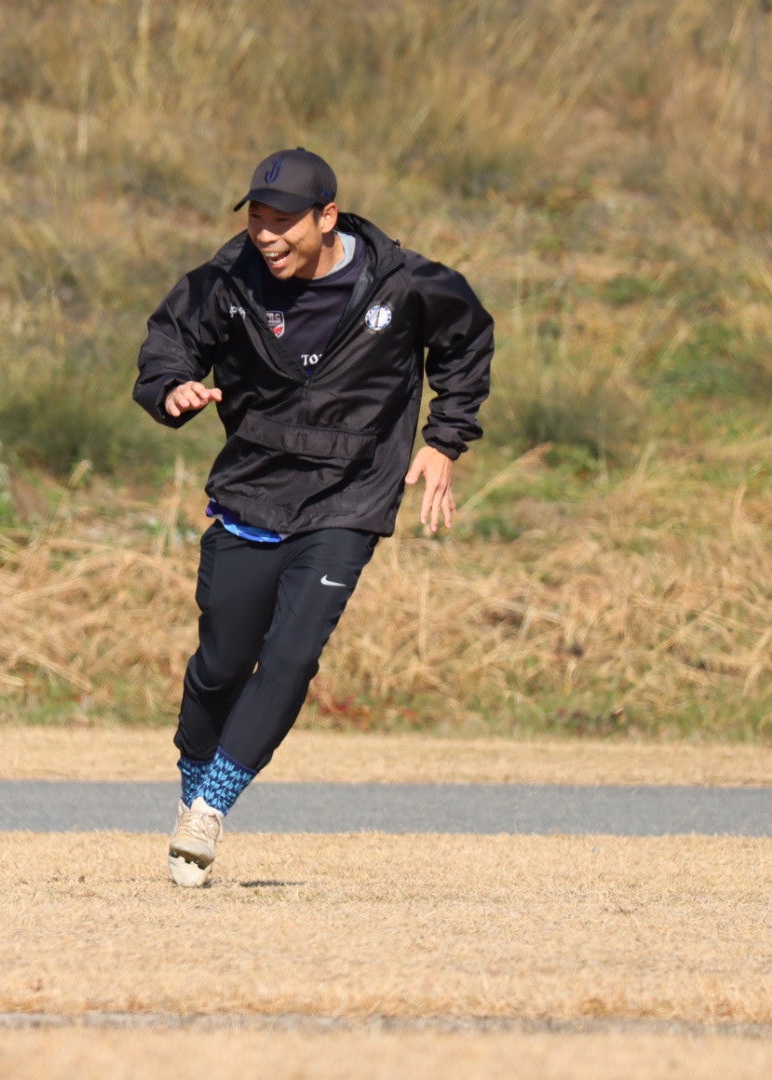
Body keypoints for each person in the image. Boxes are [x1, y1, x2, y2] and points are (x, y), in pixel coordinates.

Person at [133, 148, 493, 887]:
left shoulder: (406, 283)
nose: (267, 237)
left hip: (349, 498)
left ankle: (212, 810)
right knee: (221, 665)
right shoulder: (225, 281)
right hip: (251, 492)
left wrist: (443, 441)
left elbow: (466, 341)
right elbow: (168, 345)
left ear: (328, 217)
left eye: (284, 222)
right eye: (258, 221)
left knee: (293, 657)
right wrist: (171, 388)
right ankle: (194, 782)